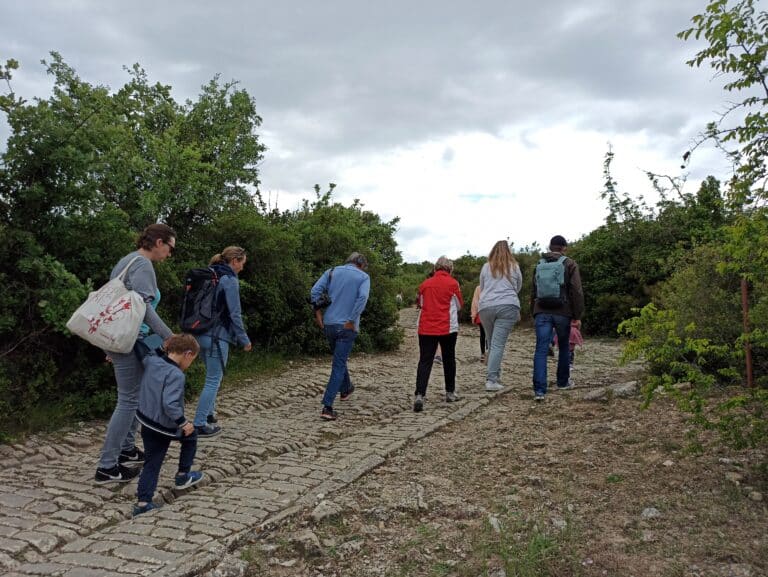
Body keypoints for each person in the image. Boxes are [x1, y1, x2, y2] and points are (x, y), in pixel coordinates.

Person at [94, 224, 176, 484]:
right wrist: (169, 337)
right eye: (170, 248)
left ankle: (126, 449)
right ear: (159, 242)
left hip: (121, 339)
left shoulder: (126, 261)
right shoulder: (142, 265)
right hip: (130, 341)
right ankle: (107, 466)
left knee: (135, 396)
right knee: (128, 400)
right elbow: (143, 308)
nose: (169, 255)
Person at [133, 334, 204, 516]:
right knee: (191, 436)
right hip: (163, 425)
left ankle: (143, 503)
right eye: (192, 360)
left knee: (152, 462)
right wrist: (184, 423)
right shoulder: (176, 375)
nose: (190, 364)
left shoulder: (153, 361)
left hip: (145, 420)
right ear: (188, 354)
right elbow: (169, 404)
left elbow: (143, 349)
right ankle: (183, 475)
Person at [192, 246, 252, 438]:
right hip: (217, 336)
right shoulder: (229, 280)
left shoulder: (209, 274)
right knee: (213, 380)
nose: (242, 268)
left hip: (198, 332)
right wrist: (244, 339)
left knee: (211, 376)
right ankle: (199, 423)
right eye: (242, 263)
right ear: (235, 261)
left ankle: (209, 414)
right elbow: (235, 314)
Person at [310, 252, 371, 421]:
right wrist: (352, 319)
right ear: (361, 264)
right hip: (347, 326)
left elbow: (315, 291)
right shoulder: (363, 277)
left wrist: (318, 314)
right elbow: (363, 297)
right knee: (338, 364)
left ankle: (346, 389)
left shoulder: (331, 272)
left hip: (329, 324)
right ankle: (327, 406)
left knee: (339, 360)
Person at [531, 235, 584, 401]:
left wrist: (533, 311)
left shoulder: (539, 264)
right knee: (563, 347)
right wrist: (577, 314)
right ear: (564, 248)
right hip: (563, 311)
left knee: (541, 349)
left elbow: (533, 290)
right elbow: (576, 290)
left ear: (550, 247)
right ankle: (562, 382)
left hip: (541, 310)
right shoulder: (569, 263)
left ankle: (539, 390)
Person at [414, 257, 463, 411]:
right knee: (449, 359)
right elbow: (459, 305)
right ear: (450, 269)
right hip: (447, 327)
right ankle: (450, 392)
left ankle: (420, 395)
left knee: (425, 361)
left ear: (435, 268)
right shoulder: (453, 284)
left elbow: (420, 304)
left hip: (426, 327)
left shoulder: (425, 284)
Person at [478, 240, 523, 392]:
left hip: (485, 307)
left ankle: (495, 376)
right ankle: (491, 380)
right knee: (497, 344)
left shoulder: (486, 267)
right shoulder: (514, 267)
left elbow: (482, 287)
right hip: (507, 305)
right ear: (509, 251)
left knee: (492, 343)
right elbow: (518, 287)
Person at [470, 285, 488, 362]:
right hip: (493, 314)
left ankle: (483, 353)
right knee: (490, 334)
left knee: (482, 334)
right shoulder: (495, 286)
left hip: (481, 314)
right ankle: (489, 352)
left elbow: (475, 303)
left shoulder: (478, 288)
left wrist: (473, 316)